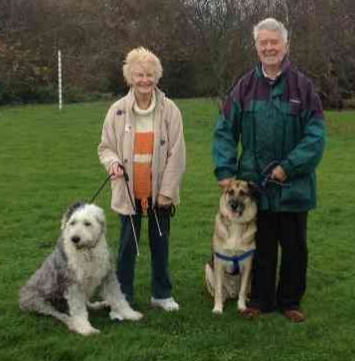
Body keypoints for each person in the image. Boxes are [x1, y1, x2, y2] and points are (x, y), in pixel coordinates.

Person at [212, 18, 326, 322]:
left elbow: (316, 137)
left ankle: (290, 301)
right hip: (254, 186)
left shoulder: (303, 87)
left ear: (286, 45)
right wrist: (224, 168)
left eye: (274, 42)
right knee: (260, 245)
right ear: (256, 47)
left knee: (294, 246)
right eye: (263, 43)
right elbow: (224, 130)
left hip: (293, 186)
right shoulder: (244, 88)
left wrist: (287, 168)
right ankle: (260, 299)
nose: (269, 47)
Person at [98, 47, 186, 312]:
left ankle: (162, 294)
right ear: (129, 77)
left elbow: (177, 153)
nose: (145, 80)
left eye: (150, 74)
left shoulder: (170, 110)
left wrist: (167, 191)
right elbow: (105, 147)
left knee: (161, 244)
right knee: (127, 248)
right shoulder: (117, 111)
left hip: (160, 191)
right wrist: (113, 163)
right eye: (139, 75)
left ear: (157, 77)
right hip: (128, 190)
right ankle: (122, 299)